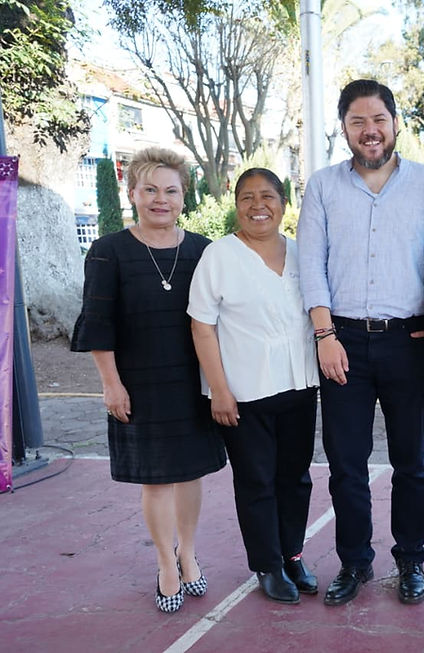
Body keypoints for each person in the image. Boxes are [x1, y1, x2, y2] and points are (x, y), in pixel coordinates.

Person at [297, 79, 424, 606]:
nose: (370, 131)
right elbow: (310, 264)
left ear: (394, 122)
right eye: (358, 122)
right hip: (340, 341)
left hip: (410, 341)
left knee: (411, 460)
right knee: (347, 463)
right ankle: (355, 563)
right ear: (343, 128)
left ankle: (411, 561)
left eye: (379, 120)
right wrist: (323, 334)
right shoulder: (322, 186)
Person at [70, 147, 226, 614]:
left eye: (171, 190)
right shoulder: (108, 251)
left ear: (184, 196)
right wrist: (110, 383)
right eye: (151, 190)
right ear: (133, 193)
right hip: (138, 384)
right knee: (156, 481)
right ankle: (164, 563)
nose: (162, 199)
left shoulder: (203, 249)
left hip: (191, 383)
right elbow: (98, 324)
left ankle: (188, 553)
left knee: (191, 473)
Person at [188, 168, 320, 605]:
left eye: (267, 196)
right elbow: (202, 327)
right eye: (247, 197)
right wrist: (219, 390)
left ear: (284, 203)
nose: (257, 205)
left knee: (295, 478)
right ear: (236, 204)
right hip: (243, 393)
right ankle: (267, 564)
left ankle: (293, 554)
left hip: (299, 385)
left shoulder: (304, 254)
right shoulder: (219, 256)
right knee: (257, 481)